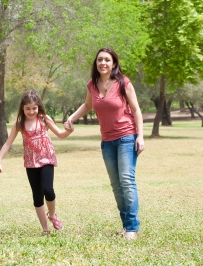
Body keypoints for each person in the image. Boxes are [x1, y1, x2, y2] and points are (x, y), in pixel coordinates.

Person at [64, 48, 144, 240]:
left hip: (126, 136)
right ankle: (126, 227)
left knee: (126, 180)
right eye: (100, 60)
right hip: (107, 141)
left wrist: (140, 137)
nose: (103, 63)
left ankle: (132, 227)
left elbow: (136, 110)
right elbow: (88, 105)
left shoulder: (124, 83)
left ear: (114, 63)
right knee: (116, 185)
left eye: (107, 60)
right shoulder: (92, 84)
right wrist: (72, 118)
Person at [0, 90, 73, 234]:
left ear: (39, 107)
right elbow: (7, 143)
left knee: (48, 189)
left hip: (47, 158)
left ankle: (53, 215)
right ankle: (45, 228)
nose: (31, 111)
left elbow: (60, 134)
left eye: (34, 108)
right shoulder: (19, 124)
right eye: (28, 108)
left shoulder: (44, 119)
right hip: (31, 162)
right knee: (37, 195)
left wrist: (69, 131)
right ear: (22, 108)